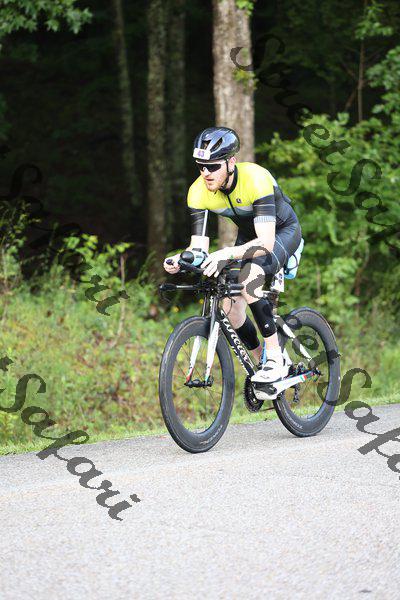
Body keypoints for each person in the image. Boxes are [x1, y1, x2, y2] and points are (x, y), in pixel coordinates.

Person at [163, 126, 302, 383]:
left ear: (231, 162)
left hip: (280, 232)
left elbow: (266, 242)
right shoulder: (198, 191)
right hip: (249, 236)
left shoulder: (255, 179)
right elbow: (198, 247)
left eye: (212, 166)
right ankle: (262, 363)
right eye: (201, 166)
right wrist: (180, 259)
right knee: (230, 308)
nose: (206, 173)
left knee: (250, 278)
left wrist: (226, 253)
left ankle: (276, 359)